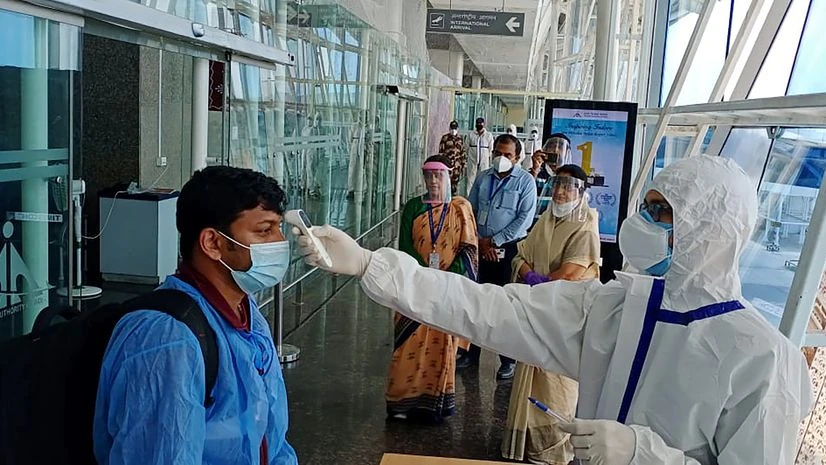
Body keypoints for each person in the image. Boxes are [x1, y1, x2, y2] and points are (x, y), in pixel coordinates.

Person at [295, 155, 813, 465]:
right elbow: (489, 307)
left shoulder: (765, 362)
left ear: (709, 232)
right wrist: (370, 265)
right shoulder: (617, 308)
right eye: (646, 206)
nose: (642, 223)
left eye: (661, 212)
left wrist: (643, 455)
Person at [94, 166, 298, 465]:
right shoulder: (167, 339)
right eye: (265, 230)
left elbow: (271, 434)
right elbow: (161, 455)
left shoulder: (244, 311)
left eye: (279, 228)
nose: (280, 242)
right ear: (212, 243)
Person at [503, 164, 600, 465]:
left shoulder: (586, 225)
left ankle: (554, 449)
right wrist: (531, 275)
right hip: (535, 314)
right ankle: (528, 444)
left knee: (556, 386)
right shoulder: (547, 219)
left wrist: (541, 284)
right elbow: (520, 254)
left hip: (563, 323)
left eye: (568, 186)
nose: (559, 192)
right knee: (530, 380)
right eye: (557, 184)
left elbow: (572, 274)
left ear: (581, 193)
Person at [386, 155, 478, 424]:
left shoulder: (460, 209)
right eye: (429, 176)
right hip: (415, 288)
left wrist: (447, 280)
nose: (433, 181)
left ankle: (433, 402)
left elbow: (469, 249)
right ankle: (401, 401)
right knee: (406, 345)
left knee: (441, 347)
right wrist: (422, 276)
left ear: (449, 177)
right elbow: (405, 247)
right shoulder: (414, 207)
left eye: (439, 175)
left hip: (446, 290)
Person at [460, 133, 537, 380]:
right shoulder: (483, 177)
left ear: (517, 158)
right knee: (476, 300)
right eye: (498, 153)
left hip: (508, 249)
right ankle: (471, 354)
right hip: (480, 248)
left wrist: (494, 241)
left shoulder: (525, 183)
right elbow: (470, 209)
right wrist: (480, 242)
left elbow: (523, 220)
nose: (501, 158)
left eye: (507, 155)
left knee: (505, 305)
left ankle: (508, 359)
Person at [531, 133, 573, 222]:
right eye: (551, 146)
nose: (555, 150)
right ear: (545, 150)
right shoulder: (536, 173)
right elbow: (526, 192)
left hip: (559, 228)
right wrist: (535, 169)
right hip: (535, 227)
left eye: (561, 147)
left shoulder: (572, 177)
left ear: (567, 152)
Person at [439, 120, 466, 195]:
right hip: (447, 165)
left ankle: (453, 199)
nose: (453, 130)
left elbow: (463, 153)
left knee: (455, 185)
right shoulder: (445, 138)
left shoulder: (460, 139)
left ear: (457, 129)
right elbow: (441, 152)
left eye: (454, 128)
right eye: (452, 128)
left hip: (457, 166)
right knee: (446, 183)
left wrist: (463, 165)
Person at [466, 117, 495, 190]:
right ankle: (469, 197)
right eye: (478, 123)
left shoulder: (488, 135)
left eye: (480, 123)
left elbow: (491, 148)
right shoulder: (471, 135)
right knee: (470, 179)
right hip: (472, 160)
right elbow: (466, 147)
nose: (479, 125)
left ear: (483, 124)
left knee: (484, 178)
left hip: (484, 160)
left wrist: (486, 156)